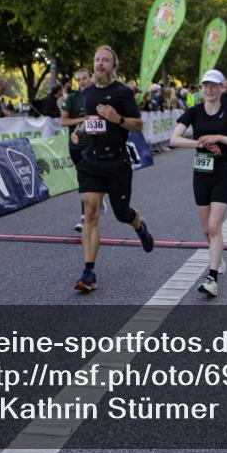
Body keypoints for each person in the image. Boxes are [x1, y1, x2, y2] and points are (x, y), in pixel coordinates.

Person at [71, 45, 154, 293]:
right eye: (97, 59)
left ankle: (139, 225)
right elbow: (90, 121)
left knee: (121, 213)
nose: (99, 64)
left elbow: (138, 125)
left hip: (117, 162)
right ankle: (89, 272)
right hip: (91, 161)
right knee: (91, 212)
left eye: (104, 60)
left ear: (113, 65)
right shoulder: (87, 93)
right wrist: (79, 131)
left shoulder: (123, 92)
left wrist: (117, 118)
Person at [169, 70, 227, 297]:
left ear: (221, 88)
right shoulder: (194, 112)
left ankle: (212, 278)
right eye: (205, 85)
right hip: (201, 174)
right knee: (206, 229)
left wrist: (220, 138)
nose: (209, 89)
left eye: (213, 86)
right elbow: (174, 139)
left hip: (222, 174)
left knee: (215, 227)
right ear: (201, 88)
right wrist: (200, 143)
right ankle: (219, 258)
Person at [61, 68, 93, 233]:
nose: (82, 82)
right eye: (79, 79)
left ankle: (91, 207)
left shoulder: (96, 94)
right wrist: (83, 119)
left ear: (90, 78)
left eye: (84, 78)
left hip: (95, 145)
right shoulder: (73, 98)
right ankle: (84, 217)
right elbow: (63, 121)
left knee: (91, 181)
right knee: (84, 181)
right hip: (76, 146)